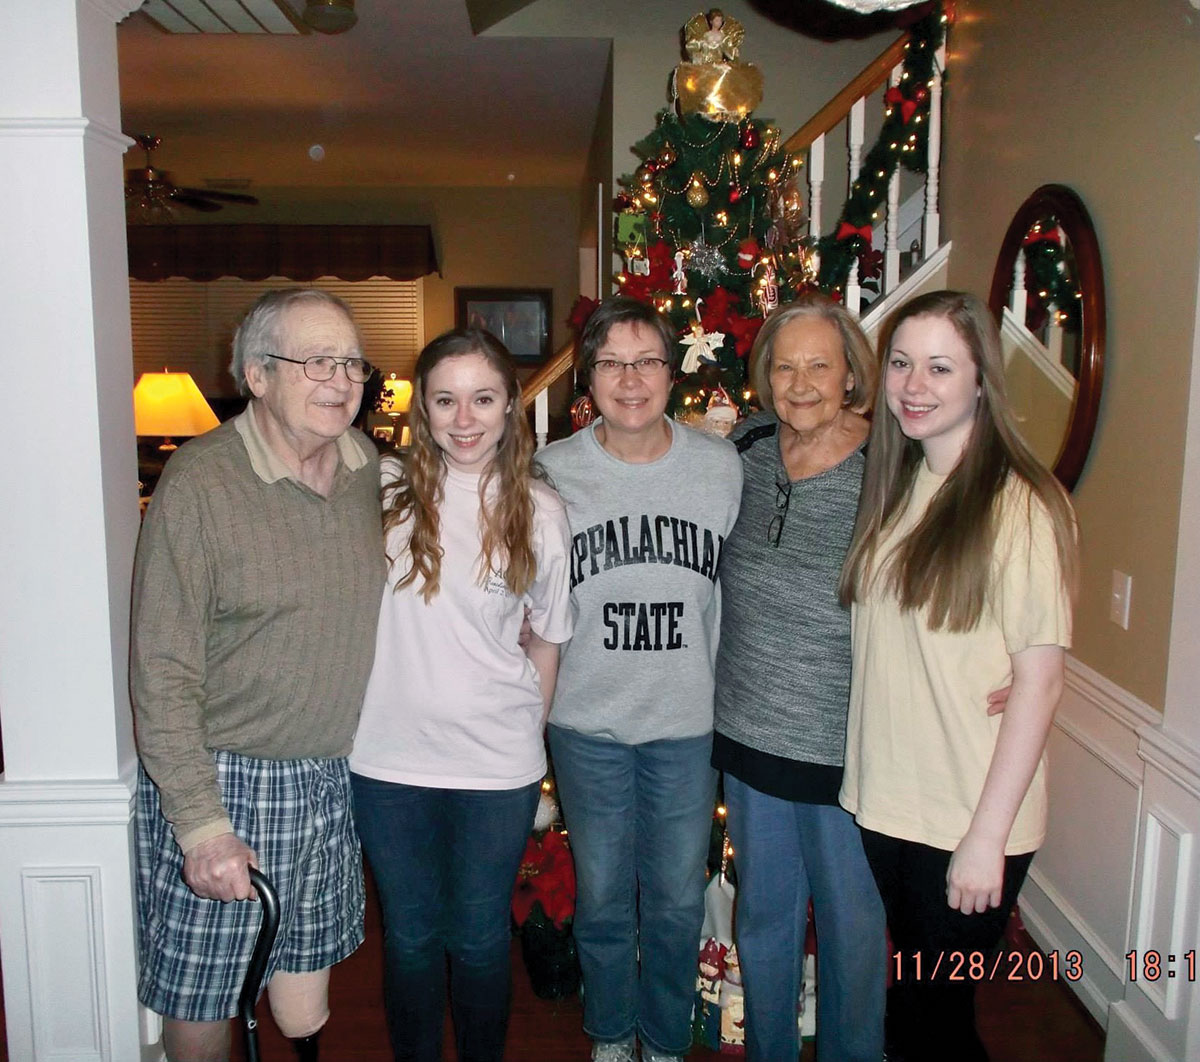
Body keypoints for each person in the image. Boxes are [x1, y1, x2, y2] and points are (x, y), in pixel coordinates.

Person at [131, 288, 386, 1062]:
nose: (340, 380)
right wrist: (203, 826)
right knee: (206, 990)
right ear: (256, 375)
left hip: (331, 775)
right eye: (315, 361)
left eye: (349, 362)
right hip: (229, 780)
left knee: (304, 999)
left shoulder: (367, 466)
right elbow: (162, 669)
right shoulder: (201, 484)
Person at [839, 290, 1078, 1062]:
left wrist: (986, 839)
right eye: (902, 363)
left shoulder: (1023, 505)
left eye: (940, 367)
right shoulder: (901, 485)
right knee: (917, 1011)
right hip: (891, 805)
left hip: (966, 817)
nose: (914, 384)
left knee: (932, 1023)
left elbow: (1040, 681)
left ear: (981, 381)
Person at [349, 328, 573, 1062]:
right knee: (411, 938)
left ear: (511, 405)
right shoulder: (380, 489)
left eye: (483, 398)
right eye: (446, 400)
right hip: (388, 763)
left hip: (495, 767)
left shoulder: (541, 511)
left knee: (479, 940)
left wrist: (524, 735)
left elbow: (547, 638)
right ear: (424, 410)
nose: (465, 418)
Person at [537, 295, 743, 1062]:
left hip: (687, 726)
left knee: (677, 902)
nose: (631, 379)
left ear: (673, 371)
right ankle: (611, 1035)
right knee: (600, 901)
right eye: (612, 362)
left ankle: (661, 1039)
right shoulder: (551, 472)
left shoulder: (720, 469)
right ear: (588, 376)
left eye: (648, 360)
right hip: (585, 723)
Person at [712, 294, 886, 1062]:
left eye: (820, 364)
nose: (802, 381)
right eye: (785, 366)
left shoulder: (891, 463)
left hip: (845, 742)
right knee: (764, 920)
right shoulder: (744, 448)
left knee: (852, 927)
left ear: (852, 374)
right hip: (749, 732)